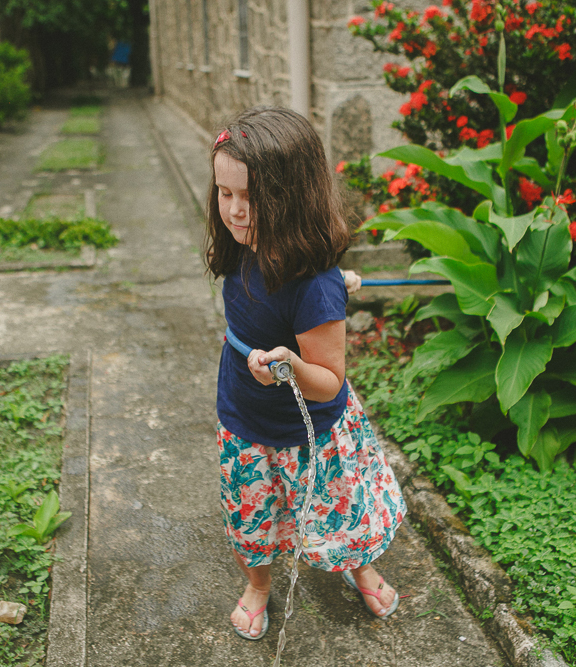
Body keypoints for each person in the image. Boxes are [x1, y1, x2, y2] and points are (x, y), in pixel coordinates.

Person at [205, 106, 407, 641]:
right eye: (225, 193)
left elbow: (329, 381)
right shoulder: (239, 246)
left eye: (250, 197)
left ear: (292, 198)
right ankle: (258, 586)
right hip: (245, 416)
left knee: (333, 512)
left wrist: (292, 364)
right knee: (252, 514)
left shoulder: (315, 285)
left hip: (308, 431)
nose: (235, 210)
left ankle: (357, 566)